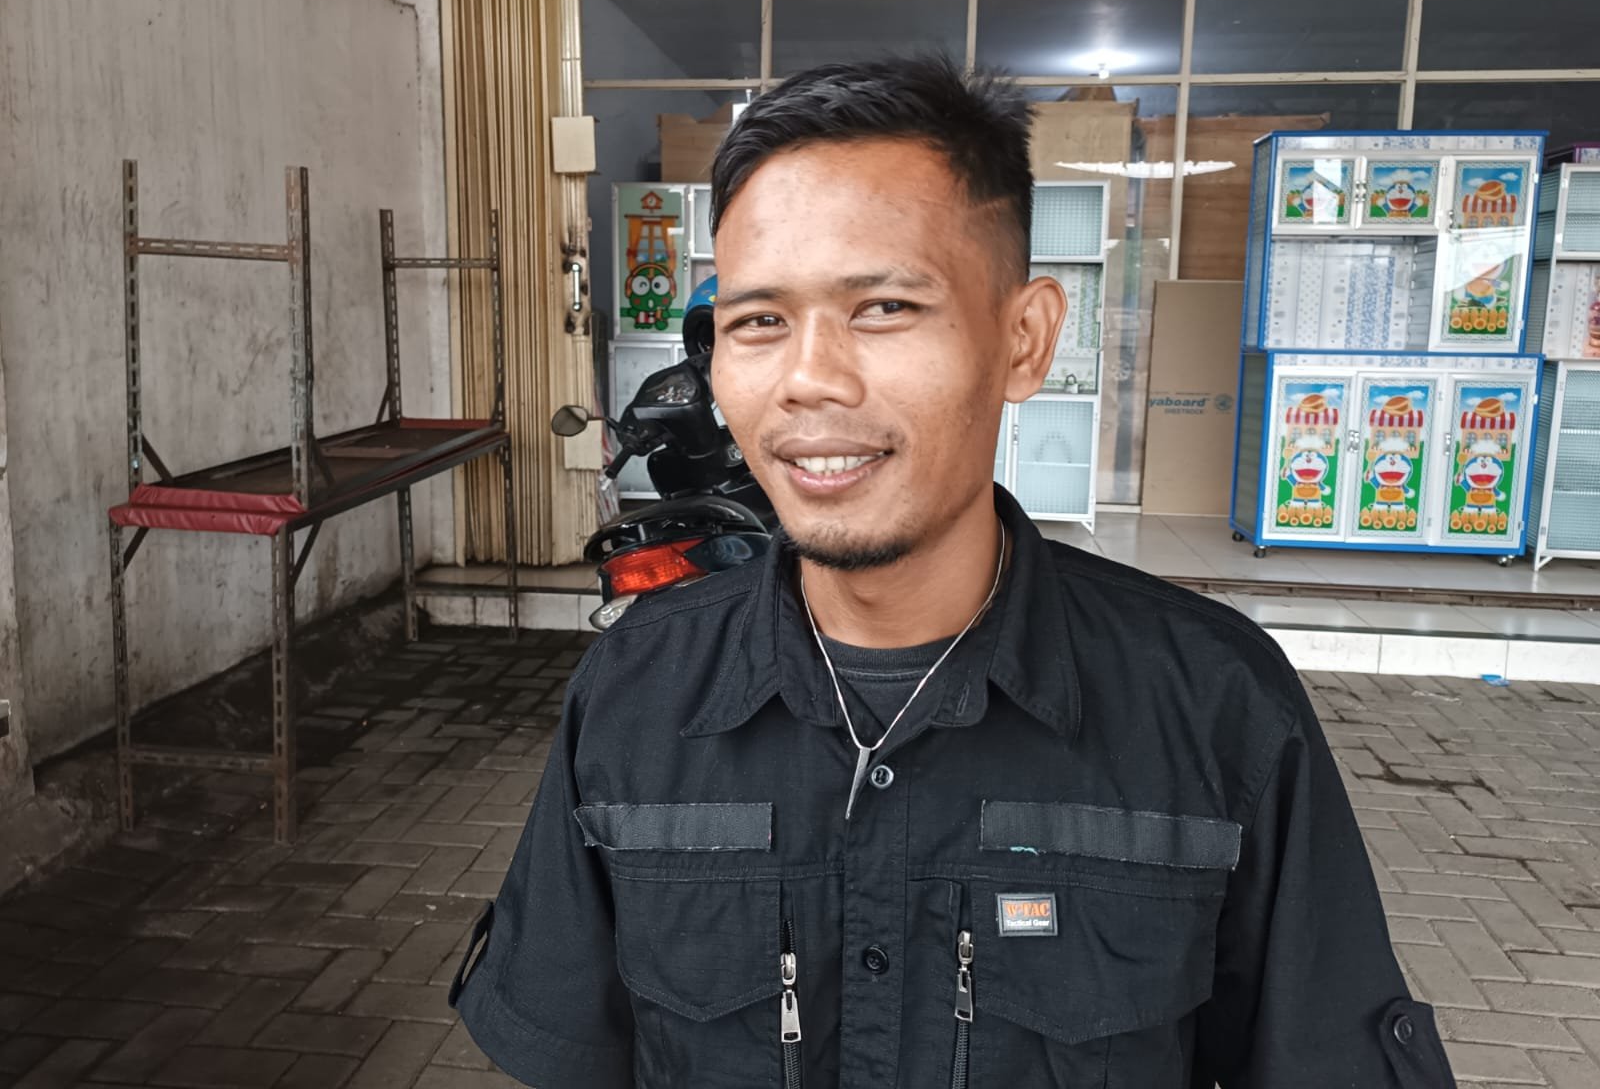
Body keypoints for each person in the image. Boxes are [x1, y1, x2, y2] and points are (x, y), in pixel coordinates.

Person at [450, 54, 1457, 1089]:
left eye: (884, 307)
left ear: (1023, 340)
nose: (808, 380)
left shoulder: (1214, 709)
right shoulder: (634, 696)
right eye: (758, 322)